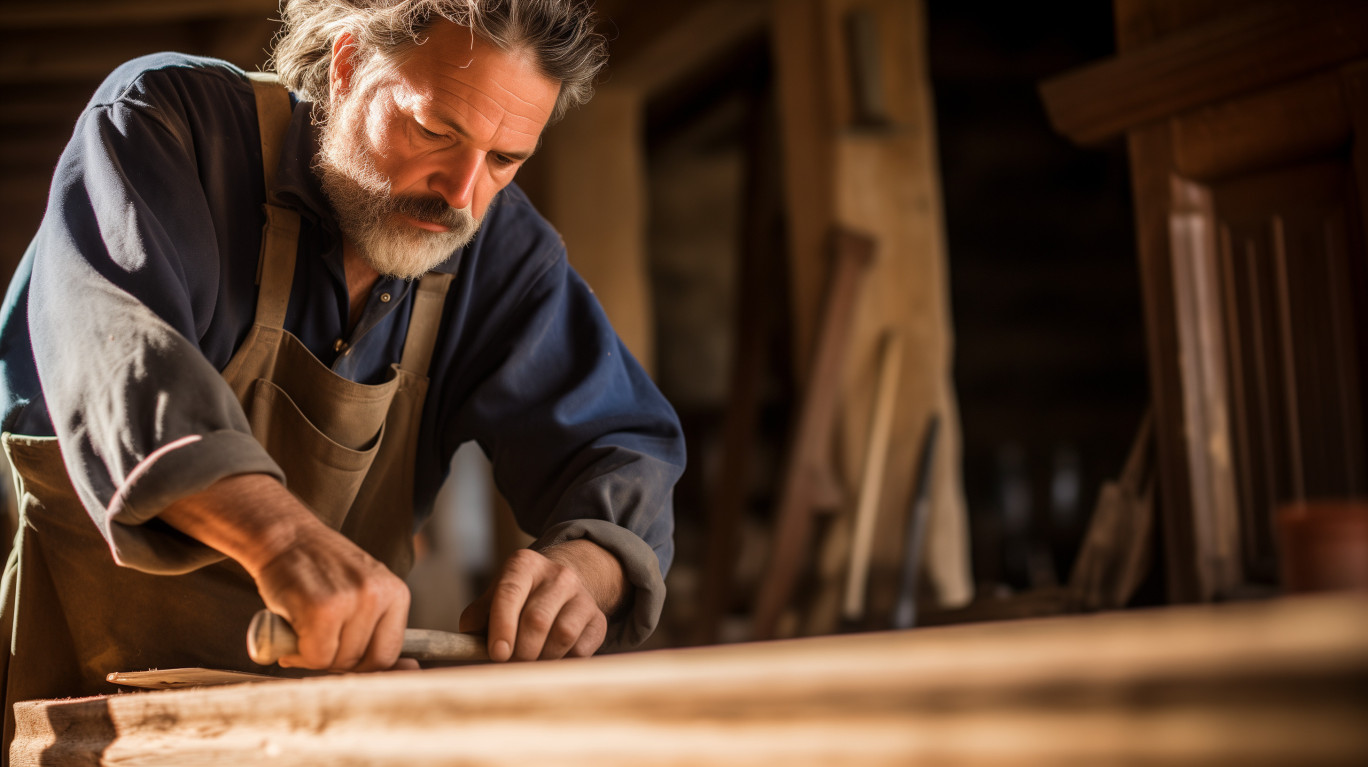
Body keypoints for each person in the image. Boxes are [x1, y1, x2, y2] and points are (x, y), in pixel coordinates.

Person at [0, 0, 682, 748]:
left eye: (503, 159)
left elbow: (621, 444)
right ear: (350, 63)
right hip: (91, 723)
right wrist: (283, 540)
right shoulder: (169, 128)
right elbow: (124, 358)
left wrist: (586, 566)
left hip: (327, 737)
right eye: (435, 131)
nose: (461, 195)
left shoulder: (500, 254)